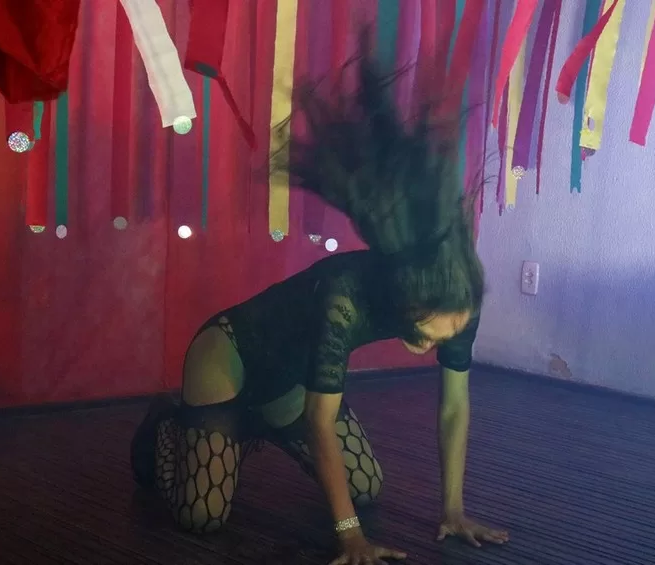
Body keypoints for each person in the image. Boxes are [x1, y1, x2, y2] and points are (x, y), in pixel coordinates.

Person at [130, 34, 509, 565]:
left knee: (366, 486)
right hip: (233, 353)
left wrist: (453, 510)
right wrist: (349, 536)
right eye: (428, 337)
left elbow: (453, 407)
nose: (436, 347)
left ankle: (248, 426)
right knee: (203, 516)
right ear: (404, 307)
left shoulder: (460, 299)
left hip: (288, 378)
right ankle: (170, 424)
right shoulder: (344, 298)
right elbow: (320, 419)